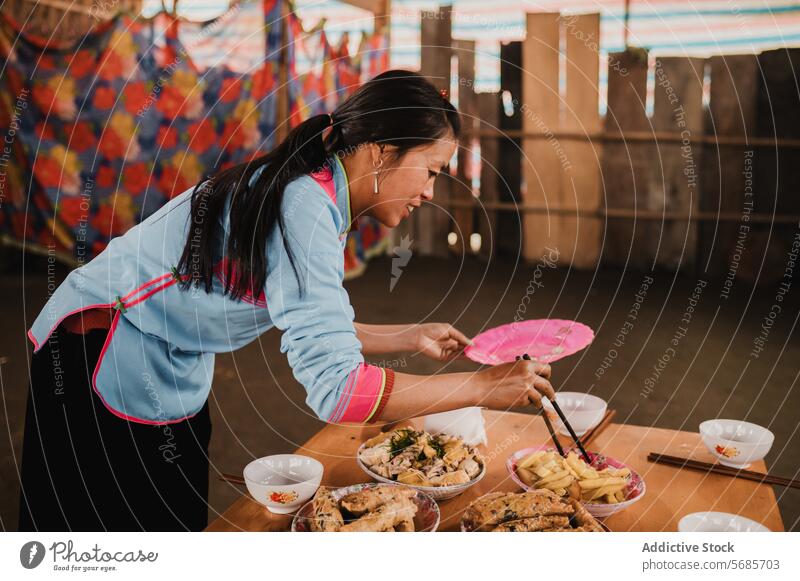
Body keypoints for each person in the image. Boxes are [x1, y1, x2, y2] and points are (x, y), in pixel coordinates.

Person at [18, 70, 553, 532]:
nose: (431, 192)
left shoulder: (316, 191)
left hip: (167, 355)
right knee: (102, 537)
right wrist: (479, 388)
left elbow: (300, 312)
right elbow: (338, 393)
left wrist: (404, 337)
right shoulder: (306, 203)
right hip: (99, 347)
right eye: (431, 170)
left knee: (171, 524)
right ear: (383, 150)